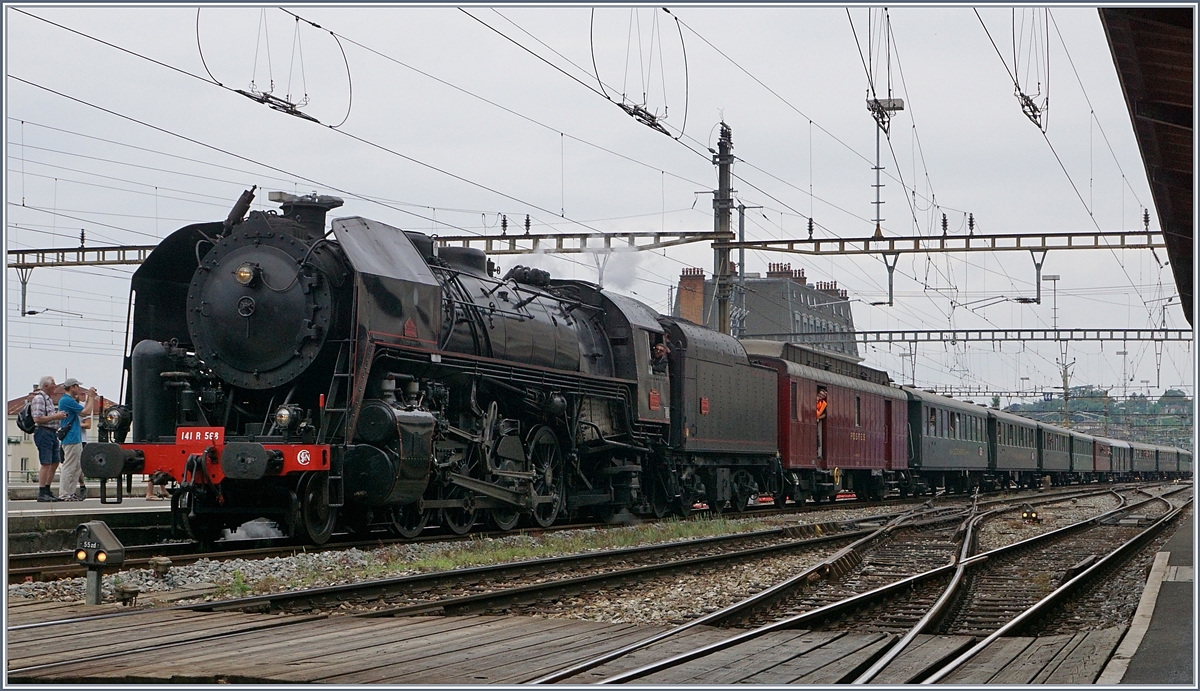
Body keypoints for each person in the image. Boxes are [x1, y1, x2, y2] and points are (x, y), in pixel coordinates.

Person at [56, 378, 95, 501]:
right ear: (72, 387)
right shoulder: (67, 400)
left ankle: (70, 493)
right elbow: (86, 412)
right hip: (71, 438)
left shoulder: (68, 400)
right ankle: (64, 494)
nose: (79, 389)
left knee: (76, 467)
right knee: (69, 466)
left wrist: (89, 398)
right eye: (77, 386)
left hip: (75, 437)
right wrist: (92, 397)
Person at [31, 376, 66, 502]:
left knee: (55, 462)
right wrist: (56, 416)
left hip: (52, 433)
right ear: (46, 386)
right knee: (46, 462)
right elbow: (38, 418)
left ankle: (47, 489)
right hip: (43, 432)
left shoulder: (49, 399)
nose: (55, 386)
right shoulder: (39, 399)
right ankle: (42, 491)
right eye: (53, 384)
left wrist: (57, 417)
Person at [815, 388, 828, 458]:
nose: (821, 396)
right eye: (820, 394)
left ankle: (817, 452)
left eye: (823, 396)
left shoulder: (823, 403)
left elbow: (824, 414)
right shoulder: (813, 398)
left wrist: (818, 418)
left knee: (817, 437)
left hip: (816, 420)